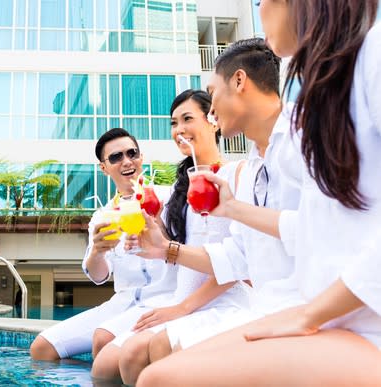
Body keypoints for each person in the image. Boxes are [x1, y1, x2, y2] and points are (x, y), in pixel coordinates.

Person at [137, 1, 381, 385]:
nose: (260, 7)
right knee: (154, 364)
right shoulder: (322, 104)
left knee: (159, 376)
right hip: (322, 313)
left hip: (355, 321)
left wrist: (310, 313)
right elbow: (304, 235)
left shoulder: (368, 63)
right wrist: (228, 211)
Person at [90, 90, 250, 384]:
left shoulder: (237, 174)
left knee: (133, 355)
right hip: (183, 297)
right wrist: (149, 239)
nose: (179, 130)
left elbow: (237, 260)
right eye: (174, 123)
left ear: (213, 121)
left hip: (223, 297)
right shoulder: (181, 187)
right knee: (102, 368)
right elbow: (171, 246)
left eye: (187, 119)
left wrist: (181, 308)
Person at [29, 128, 177, 361]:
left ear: (141, 158)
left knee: (104, 339)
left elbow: (189, 249)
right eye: (116, 157)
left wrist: (161, 228)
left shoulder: (169, 198)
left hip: (166, 298)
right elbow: (99, 276)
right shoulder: (102, 216)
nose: (126, 161)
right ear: (104, 167)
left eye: (132, 153)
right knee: (42, 347)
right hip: (122, 303)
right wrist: (98, 252)